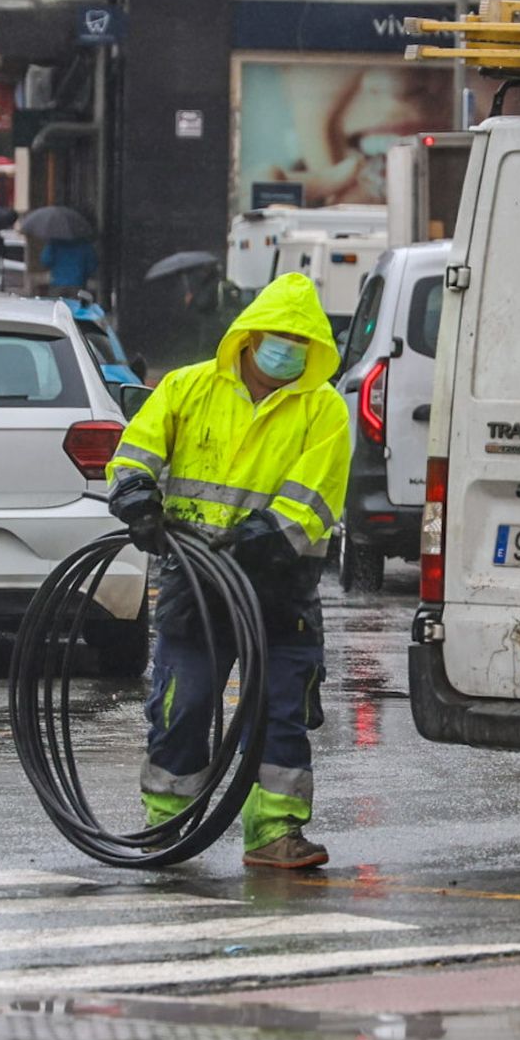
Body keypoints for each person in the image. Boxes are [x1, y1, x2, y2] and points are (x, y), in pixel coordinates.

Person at [105, 272, 350, 869]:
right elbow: (136, 453)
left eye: (300, 340)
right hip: (196, 583)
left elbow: (312, 501)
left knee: (280, 715)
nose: (286, 349)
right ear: (249, 334)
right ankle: (167, 825)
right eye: (278, 336)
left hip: (279, 588)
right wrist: (136, 494)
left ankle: (274, 835)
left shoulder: (324, 410)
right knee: (182, 707)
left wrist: (263, 538)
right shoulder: (188, 388)